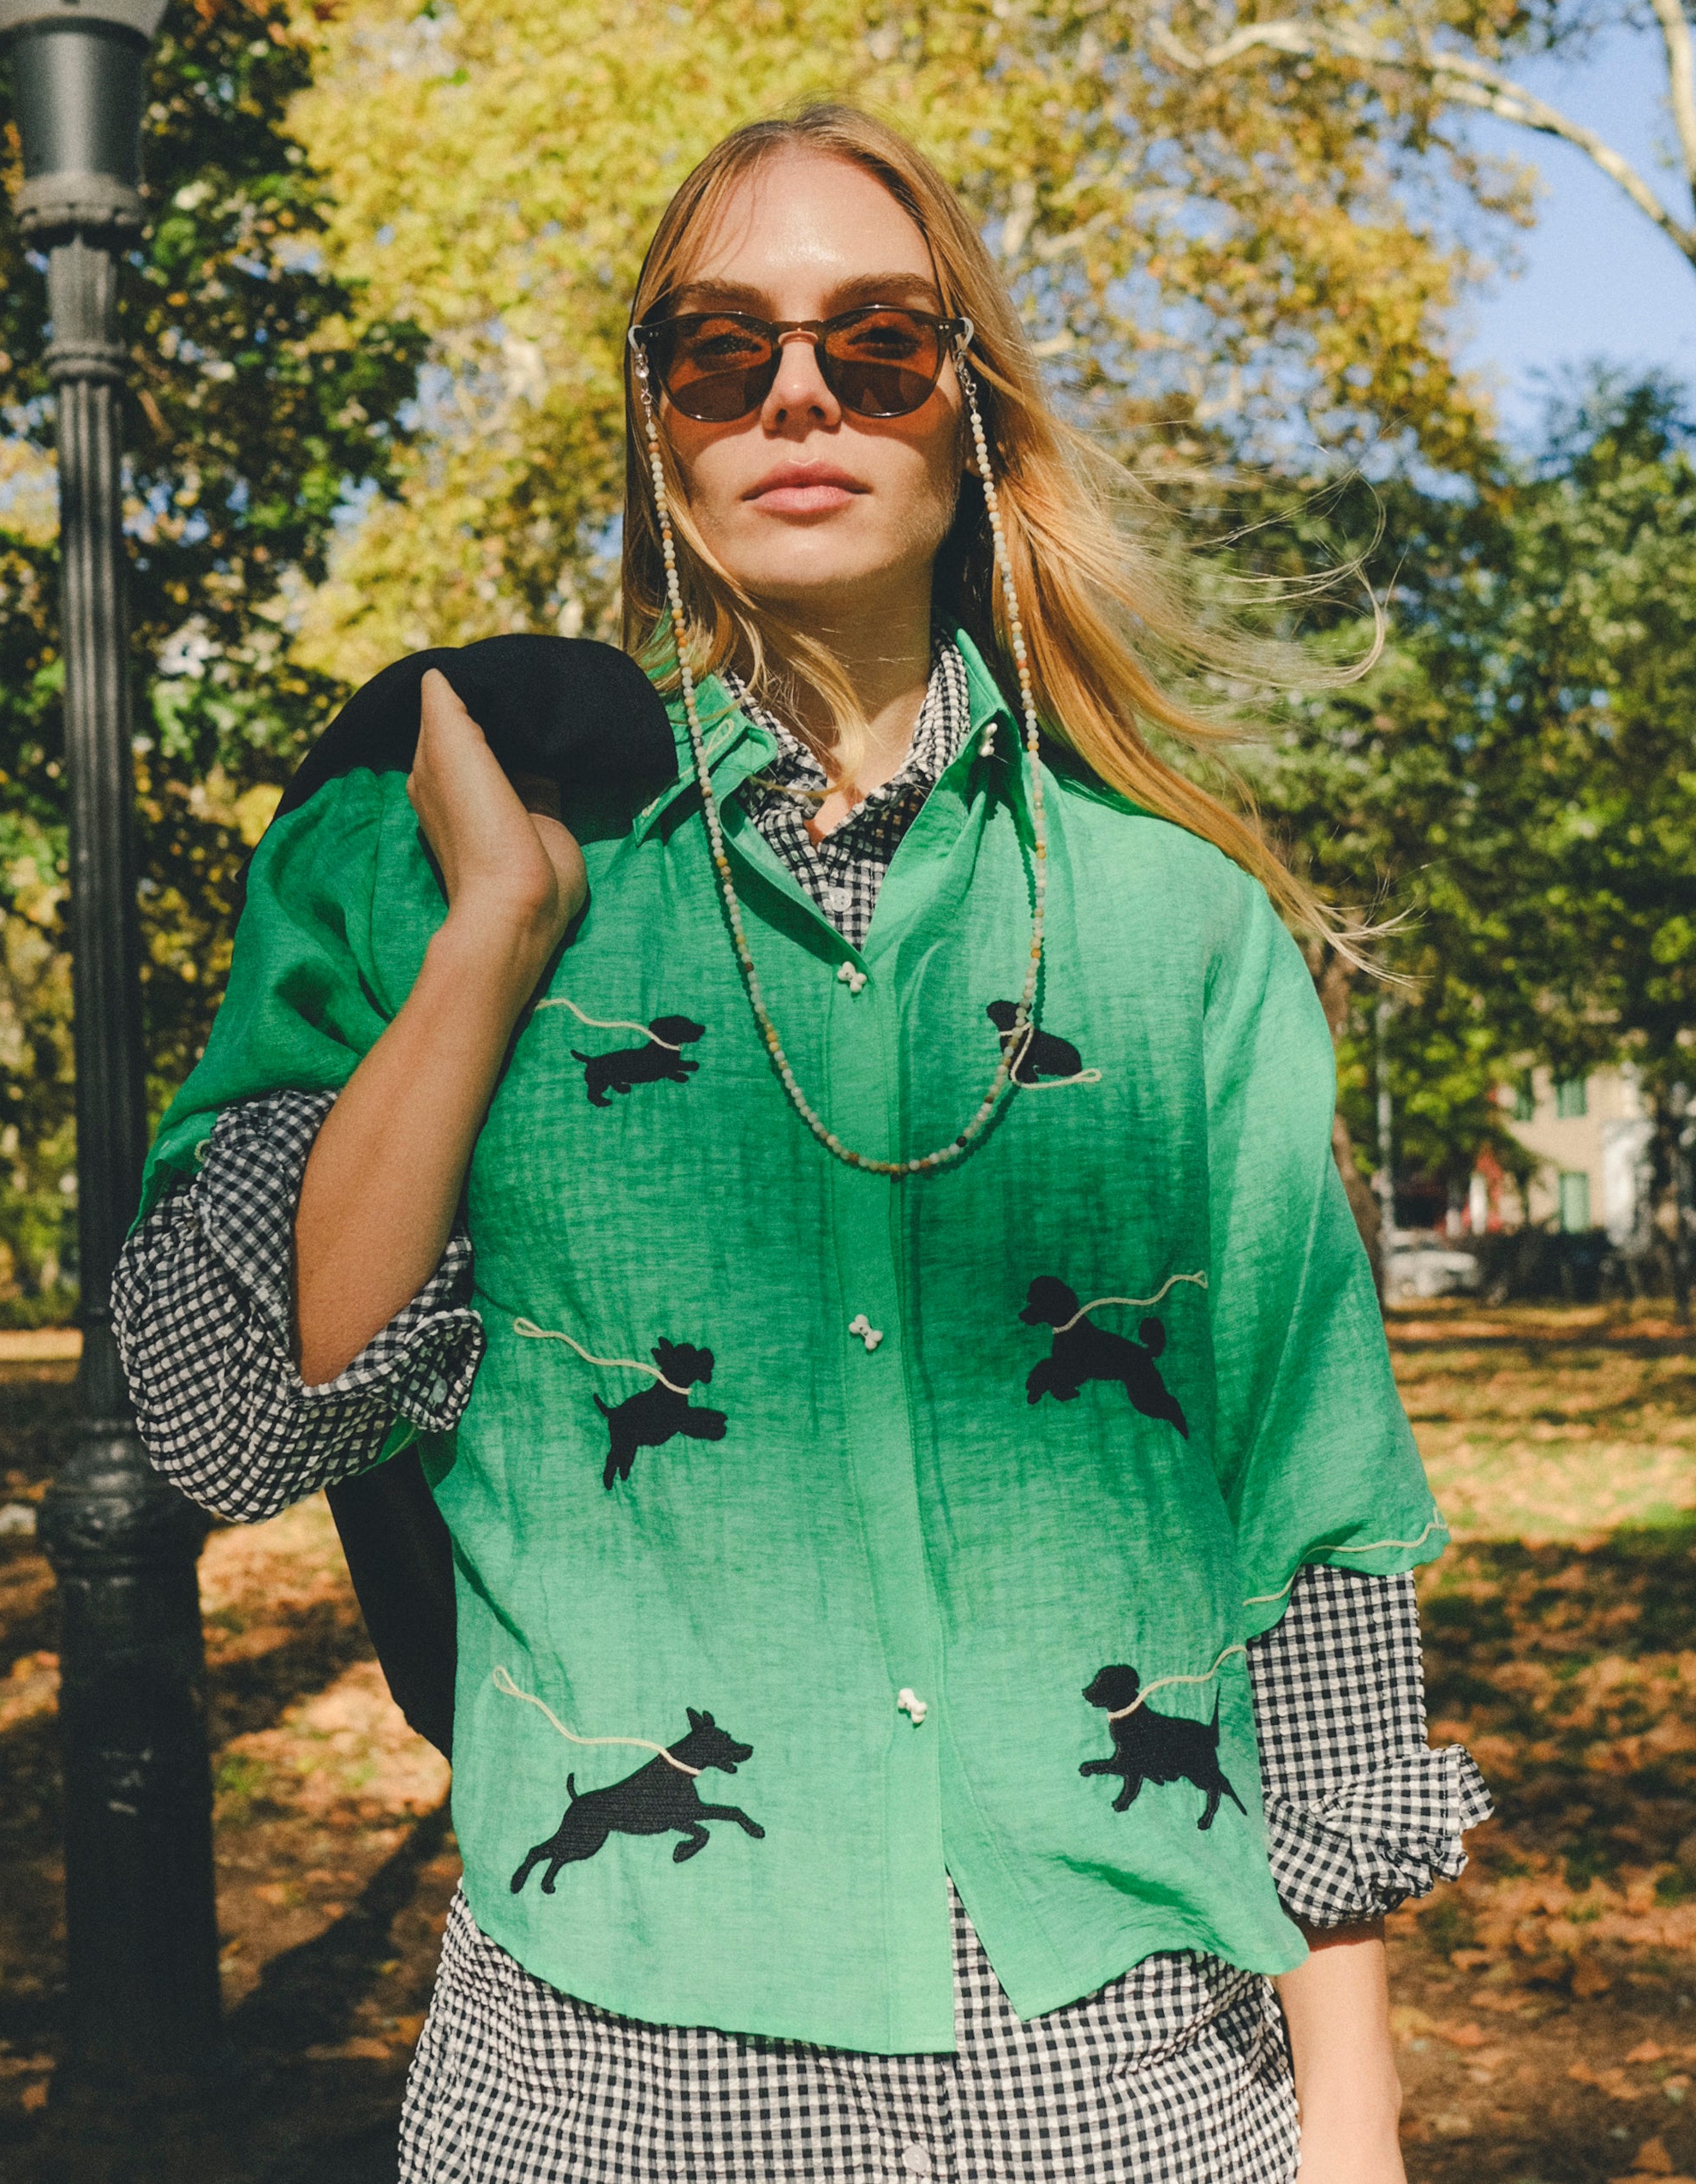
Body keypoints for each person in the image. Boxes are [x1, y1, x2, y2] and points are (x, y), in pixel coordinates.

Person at [113, 104, 1490, 2184]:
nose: (796, 396)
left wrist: (1357, 2118)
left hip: (1122, 2089)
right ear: (657, 431)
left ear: (975, 418)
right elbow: (230, 1421)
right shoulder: (424, 867)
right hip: (596, 2095)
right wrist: (495, 940)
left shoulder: (1178, 928)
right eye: (717, 351)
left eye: (878, 344)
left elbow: (1307, 1529)